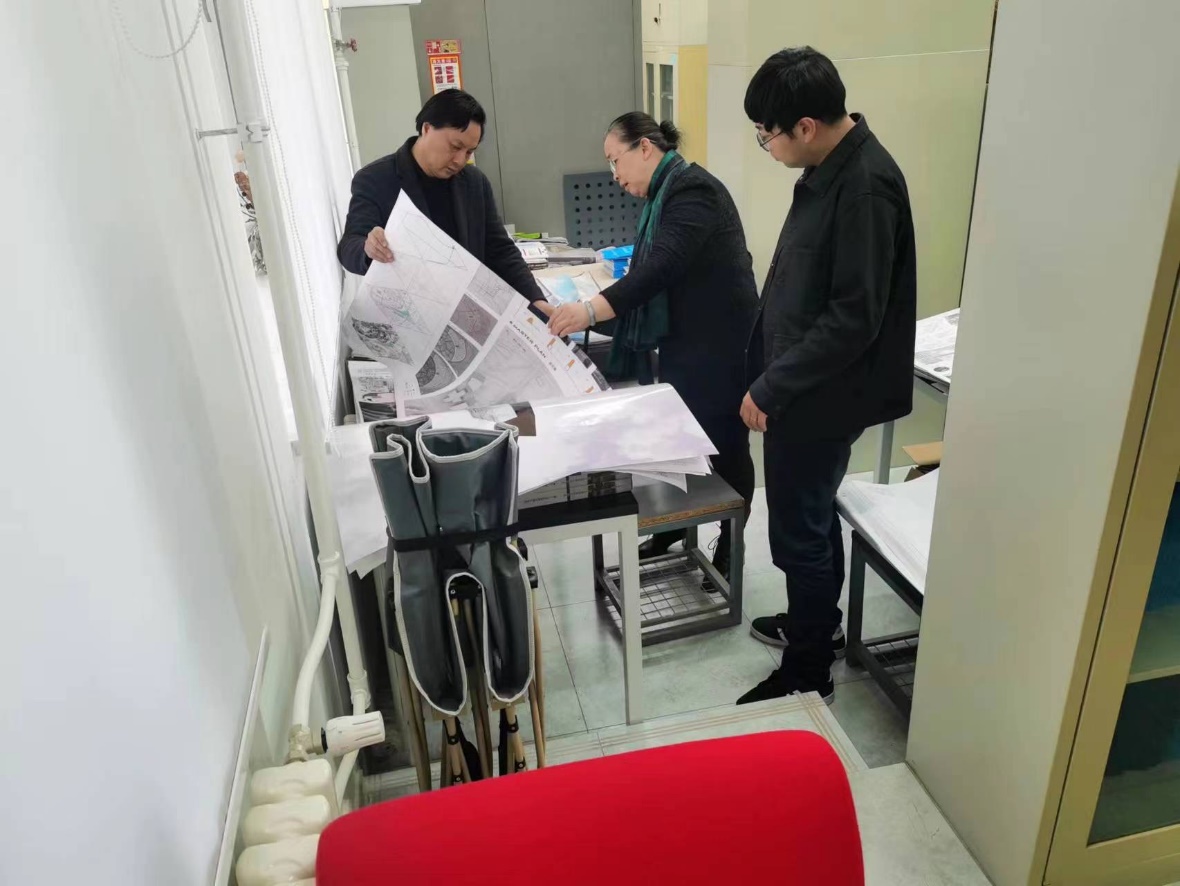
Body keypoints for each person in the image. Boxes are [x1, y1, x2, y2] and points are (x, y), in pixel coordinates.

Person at [736, 47, 917, 705]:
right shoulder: (829, 168)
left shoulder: (864, 186)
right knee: (808, 518)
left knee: (799, 529)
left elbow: (853, 318)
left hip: (820, 396)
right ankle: (820, 626)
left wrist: (771, 385)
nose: (768, 146)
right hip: (804, 385)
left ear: (806, 126)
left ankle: (808, 672)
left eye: (768, 136)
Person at [547, 113, 758, 579]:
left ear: (644, 148)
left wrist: (589, 311)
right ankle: (675, 529)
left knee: (725, 445)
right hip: (685, 339)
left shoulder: (693, 191)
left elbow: (660, 267)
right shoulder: (664, 194)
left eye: (615, 160)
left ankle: (732, 543)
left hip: (722, 344)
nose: (614, 175)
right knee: (680, 437)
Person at [337, 89, 549, 314]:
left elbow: (500, 250)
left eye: (469, 152)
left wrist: (536, 301)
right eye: (455, 147)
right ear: (427, 128)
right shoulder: (376, 179)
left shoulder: (475, 183)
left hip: (465, 312)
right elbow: (348, 247)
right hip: (409, 314)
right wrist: (368, 248)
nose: (460, 160)